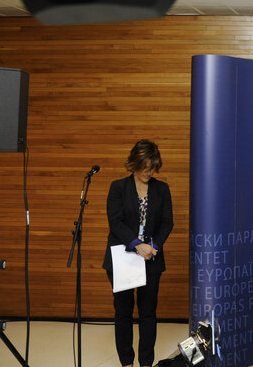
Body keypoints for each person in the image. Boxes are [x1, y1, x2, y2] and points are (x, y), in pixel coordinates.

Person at [102, 139, 174, 367]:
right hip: (123, 257)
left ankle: (145, 362)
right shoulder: (118, 187)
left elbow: (167, 222)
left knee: (148, 313)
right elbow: (115, 222)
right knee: (123, 313)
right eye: (144, 166)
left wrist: (154, 246)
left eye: (153, 167)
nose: (148, 171)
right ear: (134, 163)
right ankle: (127, 362)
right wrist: (136, 244)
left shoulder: (162, 189)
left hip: (150, 257)